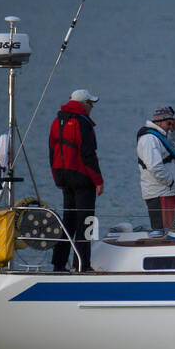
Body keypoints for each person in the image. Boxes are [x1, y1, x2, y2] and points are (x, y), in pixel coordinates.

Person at [48, 89, 102, 271]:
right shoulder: (83, 123)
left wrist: (56, 177)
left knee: (68, 221)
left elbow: (52, 152)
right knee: (86, 223)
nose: (92, 107)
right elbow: (88, 155)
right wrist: (98, 181)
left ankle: (58, 264)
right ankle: (83, 265)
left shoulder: (57, 121)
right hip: (82, 179)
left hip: (64, 178)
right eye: (90, 103)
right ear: (83, 104)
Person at [138, 106, 175, 230]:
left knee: (169, 229)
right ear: (159, 121)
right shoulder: (149, 139)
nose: (170, 126)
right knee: (163, 231)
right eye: (169, 123)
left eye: (172, 124)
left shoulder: (159, 136)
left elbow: (171, 150)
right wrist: (170, 182)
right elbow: (155, 167)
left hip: (165, 192)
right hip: (160, 193)